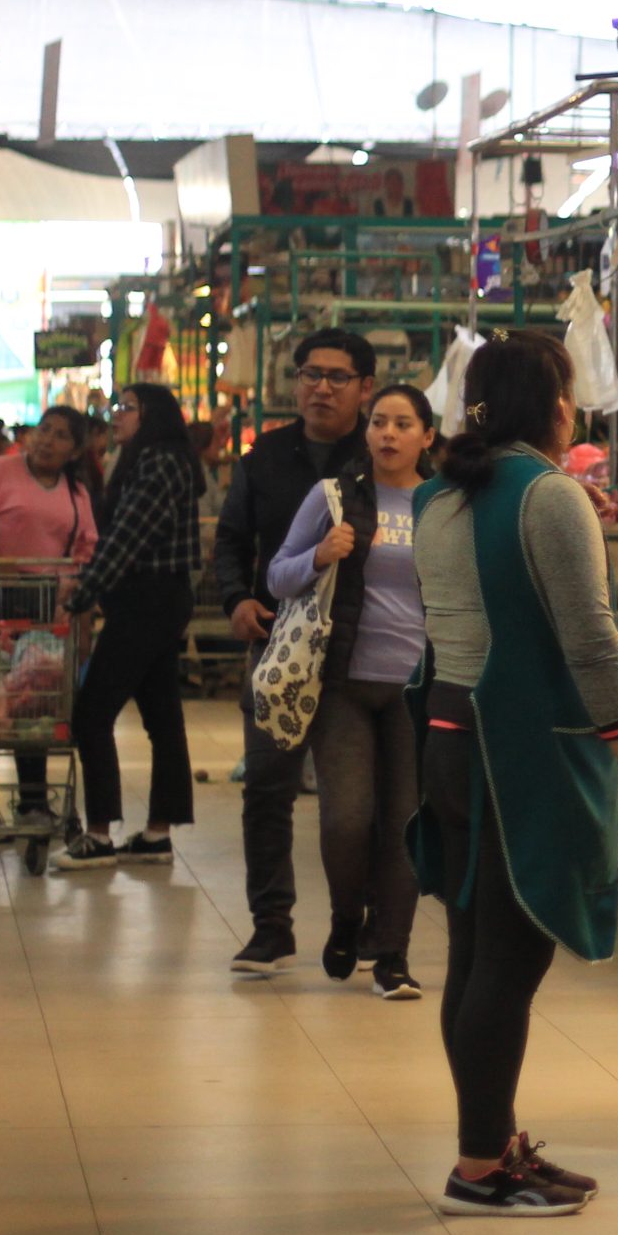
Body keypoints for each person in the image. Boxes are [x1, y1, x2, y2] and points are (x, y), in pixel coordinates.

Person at [413, 331, 618, 1216]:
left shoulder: (441, 493)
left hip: (448, 734)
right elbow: (592, 642)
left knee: (476, 954)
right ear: (551, 406)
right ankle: (480, 1167)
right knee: (509, 962)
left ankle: (491, 1139)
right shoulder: (548, 496)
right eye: (567, 396)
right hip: (511, 748)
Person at [265, 384, 436, 1001]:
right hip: (343, 685)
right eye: (380, 423)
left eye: (403, 424)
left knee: (405, 826)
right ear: (367, 433)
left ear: (427, 437)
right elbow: (277, 574)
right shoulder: (332, 497)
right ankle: (346, 920)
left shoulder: (443, 504)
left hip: (418, 689)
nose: (388, 434)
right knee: (345, 820)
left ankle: (392, 955)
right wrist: (319, 555)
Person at [214, 327, 375, 975]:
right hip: (279, 649)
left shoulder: (384, 457)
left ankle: (355, 920)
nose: (321, 387)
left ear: (365, 387)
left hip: (361, 655)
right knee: (267, 788)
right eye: (311, 373)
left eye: (338, 376)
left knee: (353, 806)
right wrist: (235, 599)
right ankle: (271, 925)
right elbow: (230, 541)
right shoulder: (265, 457)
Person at [55, 386, 205, 870]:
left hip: (148, 599)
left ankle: (98, 833)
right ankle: (158, 833)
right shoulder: (155, 459)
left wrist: (82, 594)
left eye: (126, 408)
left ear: (152, 415)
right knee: (162, 718)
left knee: (92, 712)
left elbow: (126, 539)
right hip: (156, 599)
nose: (115, 416)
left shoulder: (158, 462)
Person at [0, 406, 99, 823]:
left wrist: (79, 608)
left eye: (59, 436)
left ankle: (33, 800)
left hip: (47, 609)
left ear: (74, 450)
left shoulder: (77, 494)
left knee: (32, 703)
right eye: (43, 430)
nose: (46, 440)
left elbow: (86, 551)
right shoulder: (1, 471)